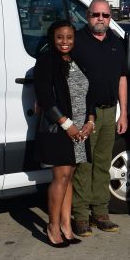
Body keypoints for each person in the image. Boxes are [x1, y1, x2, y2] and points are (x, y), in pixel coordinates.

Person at [33, 20, 95, 247]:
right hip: (61, 129)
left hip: (80, 130)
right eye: (60, 37)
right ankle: (52, 227)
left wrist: (90, 120)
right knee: (60, 178)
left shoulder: (76, 60)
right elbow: (46, 99)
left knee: (69, 178)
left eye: (69, 37)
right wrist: (67, 124)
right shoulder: (47, 61)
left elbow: (89, 92)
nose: (65, 42)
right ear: (53, 38)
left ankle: (66, 227)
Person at [70, 0, 129, 237]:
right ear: (87, 15)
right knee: (84, 165)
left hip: (108, 112)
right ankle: (81, 216)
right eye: (96, 14)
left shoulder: (117, 42)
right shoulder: (76, 41)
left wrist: (123, 112)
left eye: (105, 15)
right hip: (84, 113)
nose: (101, 19)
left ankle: (101, 213)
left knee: (103, 164)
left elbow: (122, 79)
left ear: (110, 16)